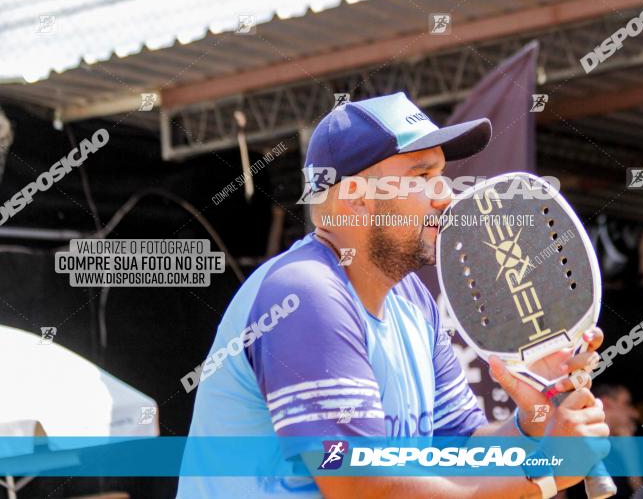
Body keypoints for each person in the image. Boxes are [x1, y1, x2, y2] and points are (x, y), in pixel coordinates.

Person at [177, 92, 610, 498]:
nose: (445, 196)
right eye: (422, 175)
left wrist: (534, 419)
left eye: (440, 175)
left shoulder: (413, 303)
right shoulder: (305, 295)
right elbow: (362, 486)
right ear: (355, 199)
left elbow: (458, 454)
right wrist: (543, 476)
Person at [568, 383, 643, 498]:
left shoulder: (619, 445)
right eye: (626, 403)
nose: (635, 414)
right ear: (606, 403)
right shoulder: (576, 443)